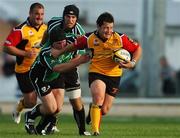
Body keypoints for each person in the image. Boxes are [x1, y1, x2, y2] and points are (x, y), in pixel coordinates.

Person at [53, 12, 142, 136]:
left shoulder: (120, 38)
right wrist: (59, 53)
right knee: (98, 97)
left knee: (104, 110)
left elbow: (137, 48)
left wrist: (132, 63)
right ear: (98, 27)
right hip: (97, 72)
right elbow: (73, 46)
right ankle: (95, 131)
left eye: (111, 27)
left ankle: (93, 109)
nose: (109, 31)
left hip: (115, 75)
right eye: (106, 27)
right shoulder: (88, 38)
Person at [24, 26, 90, 135]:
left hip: (55, 75)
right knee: (51, 108)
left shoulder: (70, 39)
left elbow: (86, 38)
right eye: (58, 43)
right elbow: (58, 68)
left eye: (63, 42)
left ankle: (40, 129)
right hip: (41, 78)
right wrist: (79, 61)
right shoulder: (46, 52)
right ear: (52, 42)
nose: (62, 45)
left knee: (57, 109)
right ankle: (31, 114)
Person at [39, 5, 90, 135]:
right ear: (63, 16)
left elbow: (78, 56)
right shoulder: (53, 23)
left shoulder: (80, 32)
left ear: (77, 19)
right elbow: (46, 34)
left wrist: (70, 65)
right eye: (68, 16)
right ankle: (48, 125)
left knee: (76, 101)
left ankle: (82, 131)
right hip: (54, 65)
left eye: (73, 17)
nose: (70, 19)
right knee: (56, 106)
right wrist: (41, 45)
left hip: (70, 66)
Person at [2, 2, 47, 124]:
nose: (39, 17)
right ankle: (19, 107)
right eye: (36, 14)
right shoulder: (20, 30)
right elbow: (7, 47)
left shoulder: (46, 28)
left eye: (42, 14)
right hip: (24, 71)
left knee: (51, 99)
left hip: (41, 70)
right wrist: (25, 54)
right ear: (30, 14)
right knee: (31, 102)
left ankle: (50, 124)